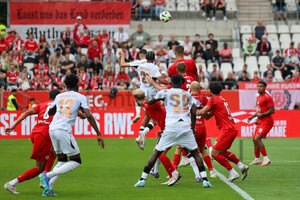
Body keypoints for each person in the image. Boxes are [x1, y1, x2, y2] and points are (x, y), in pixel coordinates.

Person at [134, 75, 212, 188]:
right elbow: (195, 110)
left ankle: (142, 179)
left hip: (171, 126)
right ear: (181, 83)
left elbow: (151, 102)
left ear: (172, 82)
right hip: (185, 126)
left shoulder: (166, 92)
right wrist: (193, 127)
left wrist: (148, 99)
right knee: (195, 153)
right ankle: (205, 180)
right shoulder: (187, 94)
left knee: (156, 153)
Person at [39, 74, 104, 196]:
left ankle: (48, 189)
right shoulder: (80, 97)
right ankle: (47, 176)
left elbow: (50, 111)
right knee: (76, 161)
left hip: (52, 129)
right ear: (76, 84)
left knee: (62, 160)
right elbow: (88, 115)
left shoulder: (59, 96)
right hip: (63, 130)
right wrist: (98, 133)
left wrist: (62, 108)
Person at [4, 90, 61, 195]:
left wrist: (13, 126)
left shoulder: (42, 105)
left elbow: (26, 112)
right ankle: (12, 183)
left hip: (35, 133)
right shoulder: (59, 106)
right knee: (39, 168)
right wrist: (82, 114)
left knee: (54, 152)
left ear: (49, 96)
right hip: (44, 136)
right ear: (59, 97)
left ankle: (44, 179)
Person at [197, 82, 249, 182]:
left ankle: (232, 172)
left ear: (210, 91)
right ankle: (241, 166)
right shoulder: (221, 99)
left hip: (227, 130)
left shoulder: (213, 100)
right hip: (232, 128)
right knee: (222, 151)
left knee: (214, 153)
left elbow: (203, 112)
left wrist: (193, 112)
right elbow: (207, 115)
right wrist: (200, 109)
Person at [190, 81, 216, 178]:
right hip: (201, 127)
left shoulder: (186, 97)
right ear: (200, 89)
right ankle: (211, 171)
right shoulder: (203, 98)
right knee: (202, 150)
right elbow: (210, 110)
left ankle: (197, 175)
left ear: (190, 89)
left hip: (191, 127)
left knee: (186, 150)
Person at [247, 81, 275, 166]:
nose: (259, 88)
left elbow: (272, 110)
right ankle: (257, 159)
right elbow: (259, 111)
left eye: (261, 86)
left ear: (265, 88)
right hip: (260, 121)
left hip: (267, 121)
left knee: (257, 139)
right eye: (258, 86)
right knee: (254, 139)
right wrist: (252, 117)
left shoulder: (268, 97)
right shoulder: (259, 97)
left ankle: (266, 159)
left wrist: (262, 115)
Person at [120, 49, 148, 123]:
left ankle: (138, 114)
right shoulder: (151, 62)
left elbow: (122, 64)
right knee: (148, 112)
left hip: (144, 87)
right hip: (153, 87)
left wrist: (123, 56)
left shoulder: (138, 62)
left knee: (137, 99)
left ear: (139, 56)